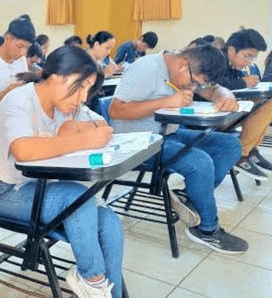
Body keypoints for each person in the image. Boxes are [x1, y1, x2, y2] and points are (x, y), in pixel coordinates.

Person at [0, 45, 123, 298]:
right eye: (80, 86)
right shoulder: (19, 99)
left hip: (47, 187)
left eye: (88, 89)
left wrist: (72, 128)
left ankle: (106, 293)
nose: (83, 97)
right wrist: (83, 138)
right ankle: (93, 283)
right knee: (76, 198)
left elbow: (102, 125)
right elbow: (23, 150)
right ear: (58, 76)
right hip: (6, 190)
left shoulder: (68, 105)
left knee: (110, 222)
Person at [108, 44, 248, 254]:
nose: (193, 88)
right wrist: (165, 101)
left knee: (229, 145)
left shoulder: (185, 68)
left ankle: (190, 198)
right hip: (137, 143)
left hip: (168, 133)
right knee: (199, 163)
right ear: (183, 65)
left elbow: (210, 88)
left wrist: (223, 95)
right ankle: (207, 229)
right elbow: (116, 110)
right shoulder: (147, 69)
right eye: (193, 83)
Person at [214, 28, 271, 180]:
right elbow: (212, 85)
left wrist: (248, 83)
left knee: (267, 102)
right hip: (213, 116)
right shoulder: (215, 59)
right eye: (247, 56)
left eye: (253, 58)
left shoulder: (235, 66)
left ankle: (251, 149)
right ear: (231, 50)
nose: (249, 62)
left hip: (228, 110)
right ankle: (242, 153)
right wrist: (242, 82)